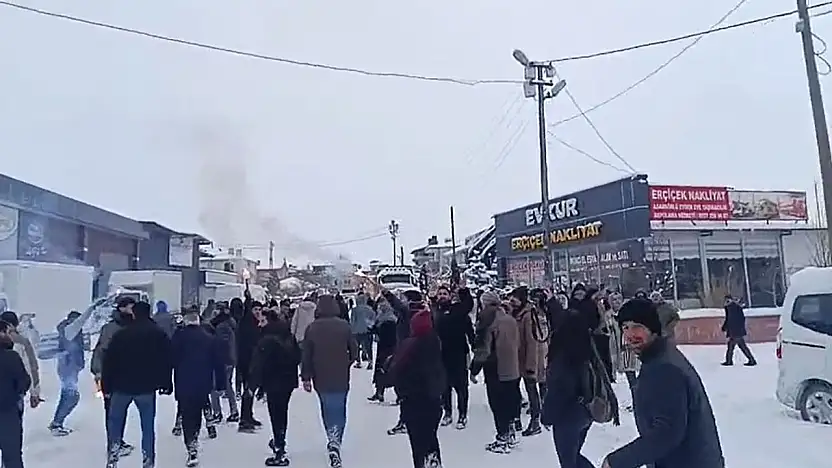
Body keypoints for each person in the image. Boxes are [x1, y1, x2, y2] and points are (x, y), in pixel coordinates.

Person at [603, 299, 725, 468]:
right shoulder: (659, 357)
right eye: (625, 327)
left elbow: (667, 432)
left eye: (637, 326)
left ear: (652, 329)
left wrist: (617, 461)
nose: (630, 334)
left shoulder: (664, 368)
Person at [101, 301, 173, 468]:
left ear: (134, 314)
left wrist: (106, 386)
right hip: (146, 388)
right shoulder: (158, 334)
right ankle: (148, 462)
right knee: (147, 428)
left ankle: (112, 459)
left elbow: (109, 362)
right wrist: (165, 382)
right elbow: (167, 360)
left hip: (121, 387)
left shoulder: (121, 335)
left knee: (115, 425)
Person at [542, 285, 601, 468]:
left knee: (569, 462)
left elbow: (558, 391)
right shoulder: (587, 350)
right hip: (585, 411)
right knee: (575, 457)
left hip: (567, 416)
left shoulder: (563, 357)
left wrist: (546, 416)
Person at [300, 294, 358, 468]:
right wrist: (346, 362)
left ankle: (331, 436)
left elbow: (306, 355)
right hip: (340, 374)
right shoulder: (344, 326)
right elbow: (354, 351)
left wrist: (306, 376)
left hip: (321, 374)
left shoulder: (312, 328)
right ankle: (336, 439)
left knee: (326, 406)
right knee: (340, 407)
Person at [388, 309, 445, 468]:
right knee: (430, 438)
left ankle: (422, 463)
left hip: (413, 400)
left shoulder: (409, 345)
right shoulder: (435, 341)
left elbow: (394, 371)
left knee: (418, 442)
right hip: (433, 399)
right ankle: (434, 461)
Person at [171, 309, 226, 466]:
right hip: (203, 382)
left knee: (188, 415)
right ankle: (205, 426)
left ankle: (191, 446)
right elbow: (218, 362)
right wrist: (221, 383)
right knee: (200, 407)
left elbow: (171, 359)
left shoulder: (178, 337)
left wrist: (167, 381)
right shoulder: (209, 338)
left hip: (183, 382)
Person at [470, 290, 520, 454]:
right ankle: (511, 434)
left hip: (495, 368)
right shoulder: (510, 319)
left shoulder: (488, 320)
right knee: (510, 402)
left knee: (498, 405)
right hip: (512, 368)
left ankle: (502, 437)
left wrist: (474, 369)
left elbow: (483, 350)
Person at [250, 312, 301, 467]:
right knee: (282, 412)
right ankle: (279, 440)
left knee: (275, 414)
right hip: (288, 381)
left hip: (273, 381)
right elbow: (298, 357)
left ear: (270, 322)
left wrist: (252, 386)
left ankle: (279, 448)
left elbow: (257, 365)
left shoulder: (266, 340)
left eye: (262, 321)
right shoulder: (288, 336)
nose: (259, 324)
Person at [48, 298, 103, 436]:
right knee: (72, 396)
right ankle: (57, 423)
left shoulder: (66, 330)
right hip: (68, 368)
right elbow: (82, 321)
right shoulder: (70, 329)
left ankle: (57, 422)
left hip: (68, 367)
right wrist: (92, 307)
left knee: (67, 395)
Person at [91, 296, 135, 457]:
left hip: (124, 375)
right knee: (112, 411)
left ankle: (117, 440)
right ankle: (113, 443)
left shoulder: (128, 326)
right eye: (131, 307)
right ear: (122, 308)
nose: (133, 311)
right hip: (110, 376)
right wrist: (99, 372)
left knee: (118, 411)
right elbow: (101, 351)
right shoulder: (112, 328)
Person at [432, 285, 474, 429]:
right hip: (440, 354)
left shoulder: (457, 309)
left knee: (461, 386)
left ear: (450, 296)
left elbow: (468, 305)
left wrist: (463, 291)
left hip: (458, 353)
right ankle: (447, 412)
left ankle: (462, 415)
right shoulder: (435, 312)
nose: (442, 296)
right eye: (440, 294)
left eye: (445, 293)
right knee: (444, 386)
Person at [508, 286, 542, 436]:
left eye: (514, 298)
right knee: (514, 391)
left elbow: (532, 341)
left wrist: (531, 365)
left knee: (532, 391)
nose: (511, 301)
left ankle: (535, 421)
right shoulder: (514, 313)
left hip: (526, 360)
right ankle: (516, 420)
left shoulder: (528, 315)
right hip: (515, 360)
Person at [0, 320, 30, 468]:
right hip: (7, 412)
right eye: (6, 332)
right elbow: (24, 382)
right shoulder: (11, 356)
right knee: (12, 457)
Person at [236, 292, 265, 432]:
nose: (258, 312)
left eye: (260, 310)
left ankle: (249, 415)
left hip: (254, 362)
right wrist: (248, 299)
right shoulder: (247, 323)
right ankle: (244, 419)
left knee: (251, 390)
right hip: (246, 362)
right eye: (255, 310)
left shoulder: (257, 324)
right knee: (247, 390)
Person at [0, 312, 40, 412]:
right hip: (14, 392)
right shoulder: (22, 341)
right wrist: (34, 392)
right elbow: (31, 367)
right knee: (13, 423)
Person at [209, 305, 239, 422]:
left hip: (222, 360)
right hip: (229, 359)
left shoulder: (221, 327)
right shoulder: (229, 324)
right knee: (227, 385)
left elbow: (221, 345)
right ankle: (233, 411)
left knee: (215, 386)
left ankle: (218, 413)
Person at [367, 297, 398, 403]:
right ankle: (379, 392)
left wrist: (375, 330)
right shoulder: (384, 319)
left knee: (386, 370)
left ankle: (383, 392)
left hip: (387, 348)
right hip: (388, 348)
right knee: (384, 370)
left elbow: (386, 335)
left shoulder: (389, 321)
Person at [721, 295, 757, 366]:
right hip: (736, 330)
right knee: (738, 346)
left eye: (727, 300)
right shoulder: (733, 307)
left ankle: (729, 361)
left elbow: (730, 320)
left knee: (734, 346)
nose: (726, 302)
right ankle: (750, 360)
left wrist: (726, 327)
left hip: (735, 331)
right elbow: (730, 319)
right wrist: (725, 327)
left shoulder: (732, 308)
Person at [350, 293, 375, 369]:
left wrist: (352, 330)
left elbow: (353, 320)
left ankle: (358, 362)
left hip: (357, 331)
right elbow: (373, 318)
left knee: (357, 347)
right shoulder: (370, 309)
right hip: (367, 330)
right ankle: (370, 361)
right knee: (368, 347)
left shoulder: (355, 310)